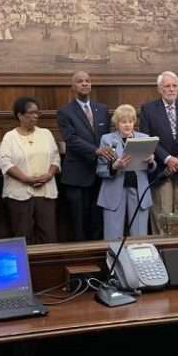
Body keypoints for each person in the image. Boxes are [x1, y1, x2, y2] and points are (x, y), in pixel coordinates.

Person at [139, 71, 178, 234]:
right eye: (167, 86)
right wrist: (167, 158)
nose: (171, 89)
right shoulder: (148, 109)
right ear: (159, 89)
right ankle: (162, 252)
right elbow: (147, 137)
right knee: (162, 215)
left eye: (174, 86)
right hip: (160, 170)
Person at [57, 71, 114, 241]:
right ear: (73, 86)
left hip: (99, 174)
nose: (85, 84)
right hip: (77, 175)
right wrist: (95, 150)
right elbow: (71, 139)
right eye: (80, 81)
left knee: (97, 220)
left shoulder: (102, 109)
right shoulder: (65, 112)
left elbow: (108, 137)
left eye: (88, 81)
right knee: (78, 222)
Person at [0, 96, 60, 244]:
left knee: (48, 235)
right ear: (20, 115)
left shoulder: (45, 134)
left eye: (37, 113)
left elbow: (55, 158)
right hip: (19, 194)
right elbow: (5, 162)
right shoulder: (10, 137)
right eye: (31, 113)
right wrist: (26, 179)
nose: (35, 116)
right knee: (22, 236)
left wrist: (49, 175)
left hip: (45, 192)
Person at [97, 105, 157, 240]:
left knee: (140, 238)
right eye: (123, 122)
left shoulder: (144, 137)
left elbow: (152, 167)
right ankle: (114, 261)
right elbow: (100, 169)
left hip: (138, 191)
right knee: (113, 237)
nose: (127, 125)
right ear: (117, 123)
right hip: (114, 192)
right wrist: (114, 167)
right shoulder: (106, 139)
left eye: (130, 121)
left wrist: (151, 161)